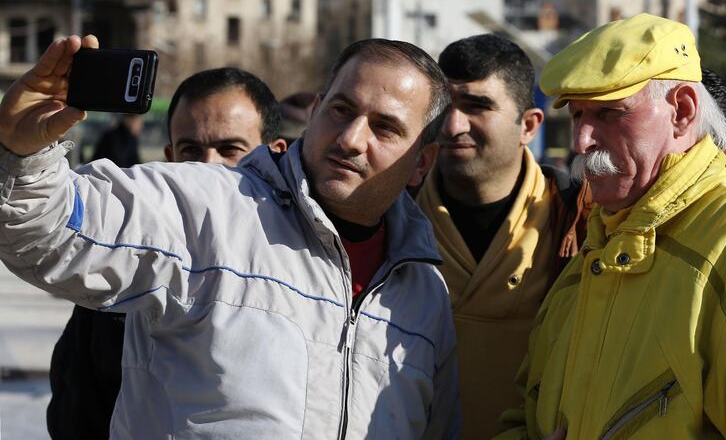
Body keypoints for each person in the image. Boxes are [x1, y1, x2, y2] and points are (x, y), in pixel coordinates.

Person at [0, 36, 460, 438]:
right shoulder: (205, 206)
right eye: (342, 111)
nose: (352, 139)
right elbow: (49, 231)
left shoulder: (423, 293)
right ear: (316, 110)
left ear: (422, 160)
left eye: (385, 127)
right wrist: (21, 154)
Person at [497, 13, 726, 439]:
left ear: (682, 111)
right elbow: (524, 416)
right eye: (579, 116)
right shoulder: (597, 244)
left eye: (609, 114)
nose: (583, 140)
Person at [47, 66, 284, 440]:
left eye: (230, 149)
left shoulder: (306, 266)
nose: (208, 167)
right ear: (170, 155)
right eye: (191, 150)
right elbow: (77, 405)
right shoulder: (125, 267)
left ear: (274, 154)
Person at [415, 34, 589, 439]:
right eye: (444, 107)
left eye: (477, 107)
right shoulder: (391, 212)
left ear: (528, 125)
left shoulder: (577, 222)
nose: (453, 125)